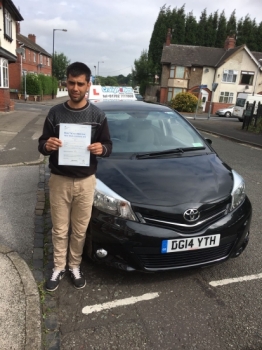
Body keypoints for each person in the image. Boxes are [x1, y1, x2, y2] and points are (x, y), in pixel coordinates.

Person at [38, 62, 112, 291]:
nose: (76, 88)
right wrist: (47, 145)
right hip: (59, 180)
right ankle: (59, 267)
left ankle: (74, 265)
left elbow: (108, 145)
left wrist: (102, 149)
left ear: (88, 85)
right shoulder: (55, 113)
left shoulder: (98, 116)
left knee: (80, 229)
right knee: (59, 229)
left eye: (81, 83)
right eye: (72, 83)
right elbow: (42, 144)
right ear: (66, 83)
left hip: (86, 182)